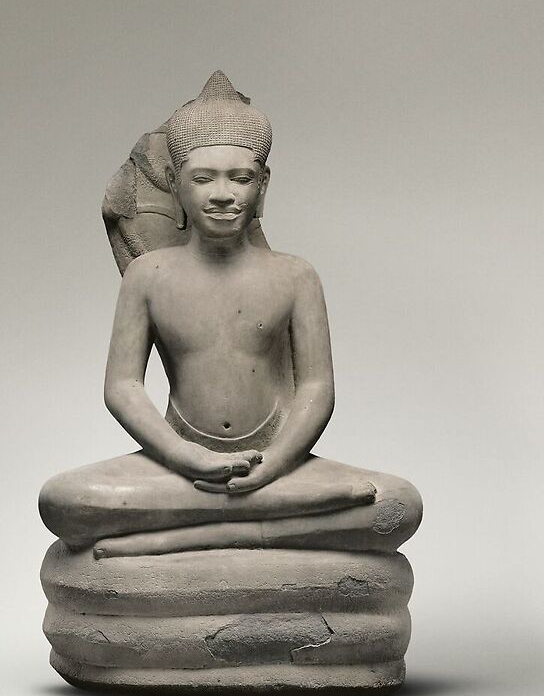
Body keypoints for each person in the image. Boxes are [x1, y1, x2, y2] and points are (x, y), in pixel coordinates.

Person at [39, 72, 421, 556]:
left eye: (240, 178)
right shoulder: (147, 276)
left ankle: (202, 532)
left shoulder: (295, 276)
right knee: (63, 500)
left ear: (263, 186)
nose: (222, 194)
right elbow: (123, 386)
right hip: (179, 468)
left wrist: (276, 463)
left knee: (398, 503)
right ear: (176, 187)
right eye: (203, 179)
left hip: (277, 466)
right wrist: (184, 456)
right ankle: (269, 521)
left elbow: (317, 388)